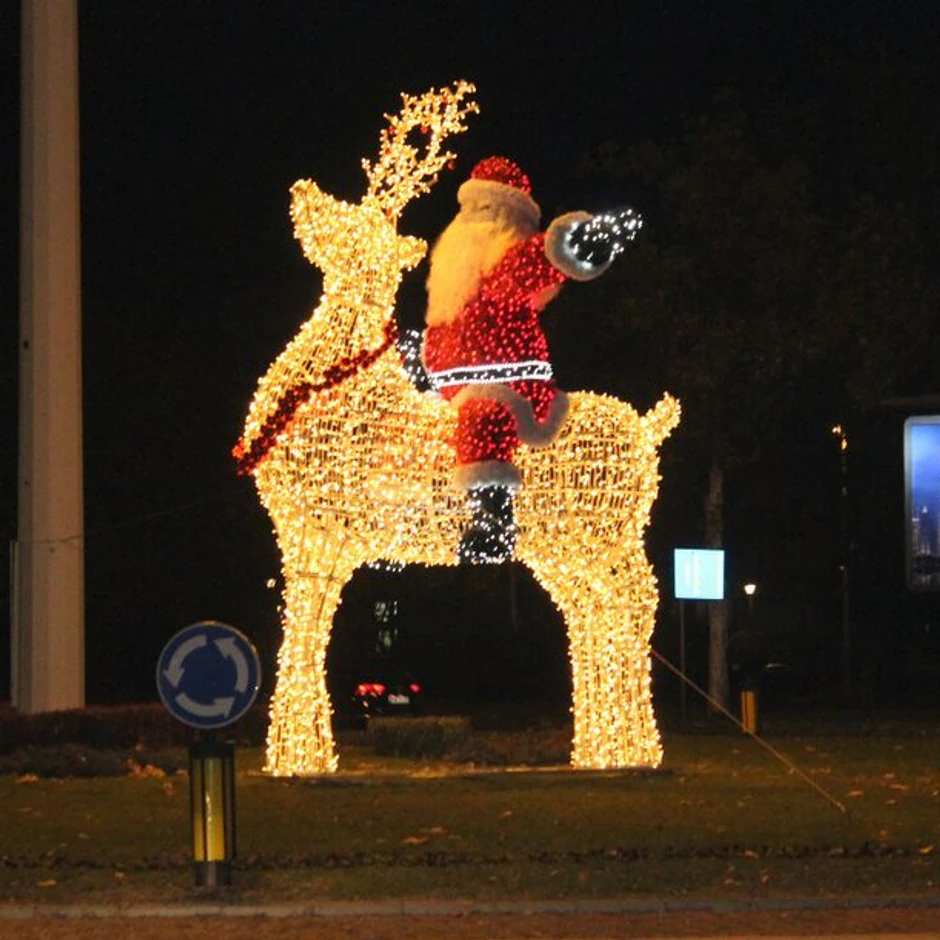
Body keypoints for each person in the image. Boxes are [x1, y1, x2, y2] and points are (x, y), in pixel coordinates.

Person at [423, 156, 640, 562]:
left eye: (485, 211)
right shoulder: (450, 287)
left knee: (484, 415)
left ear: (504, 223)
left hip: (510, 386)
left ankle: (493, 519)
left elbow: (530, 265)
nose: (471, 223)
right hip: (448, 389)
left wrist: (571, 246)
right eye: (469, 211)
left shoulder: (500, 265)